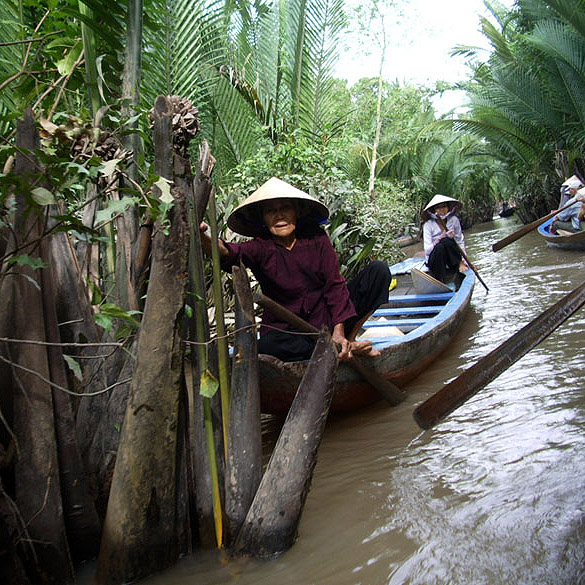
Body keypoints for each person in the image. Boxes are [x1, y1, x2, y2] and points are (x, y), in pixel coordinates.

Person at [199, 177, 392, 362]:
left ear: (296, 212)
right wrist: (202, 236)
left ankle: (348, 341)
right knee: (266, 346)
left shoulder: (315, 238)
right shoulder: (261, 247)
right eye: (271, 211)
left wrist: (339, 332)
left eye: (285, 208)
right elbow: (227, 251)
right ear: (263, 219)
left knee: (378, 271)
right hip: (290, 332)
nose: (279, 215)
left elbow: (335, 284)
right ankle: (334, 350)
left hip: (326, 321)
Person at [422, 194, 467, 283]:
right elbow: (427, 250)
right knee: (441, 245)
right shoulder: (428, 225)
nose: (442, 210)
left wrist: (463, 260)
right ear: (434, 210)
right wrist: (439, 239)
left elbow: (460, 241)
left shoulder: (454, 220)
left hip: (451, 258)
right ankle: (440, 278)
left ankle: (459, 265)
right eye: (438, 208)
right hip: (435, 260)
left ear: (448, 208)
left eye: (444, 206)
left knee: (447, 241)